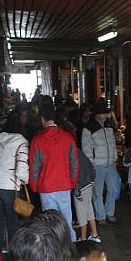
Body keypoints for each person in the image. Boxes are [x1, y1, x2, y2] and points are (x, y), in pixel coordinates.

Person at [29, 101, 80, 242]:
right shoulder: (68, 138)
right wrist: (72, 182)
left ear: (42, 118)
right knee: (66, 220)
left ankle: (55, 254)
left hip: (46, 187)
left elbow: (34, 167)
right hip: (64, 185)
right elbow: (74, 163)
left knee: (50, 224)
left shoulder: (37, 140)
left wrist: (34, 186)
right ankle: (72, 251)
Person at [0, 112, 29, 250]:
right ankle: (13, 253)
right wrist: (24, 180)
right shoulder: (21, 144)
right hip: (9, 188)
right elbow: (21, 169)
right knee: (11, 222)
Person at [82, 101, 119, 224]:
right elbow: (86, 150)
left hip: (110, 164)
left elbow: (113, 143)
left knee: (113, 188)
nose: (106, 115)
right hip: (97, 165)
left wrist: (114, 158)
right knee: (97, 192)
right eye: (104, 113)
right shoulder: (88, 128)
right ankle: (100, 216)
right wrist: (91, 165)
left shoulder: (108, 125)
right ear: (98, 114)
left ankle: (109, 212)